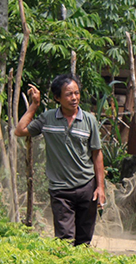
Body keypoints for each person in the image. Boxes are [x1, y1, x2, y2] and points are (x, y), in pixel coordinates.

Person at [15, 74, 106, 246]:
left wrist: (100, 187)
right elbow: (20, 130)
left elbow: (97, 154)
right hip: (60, 189)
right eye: (69, 94)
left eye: (77, 93)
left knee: (84, 240)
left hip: (87, 186)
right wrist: (34, 105)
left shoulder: (89, 120)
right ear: (57, 98)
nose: (74, 98)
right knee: (64, 240)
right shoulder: (47, 119)